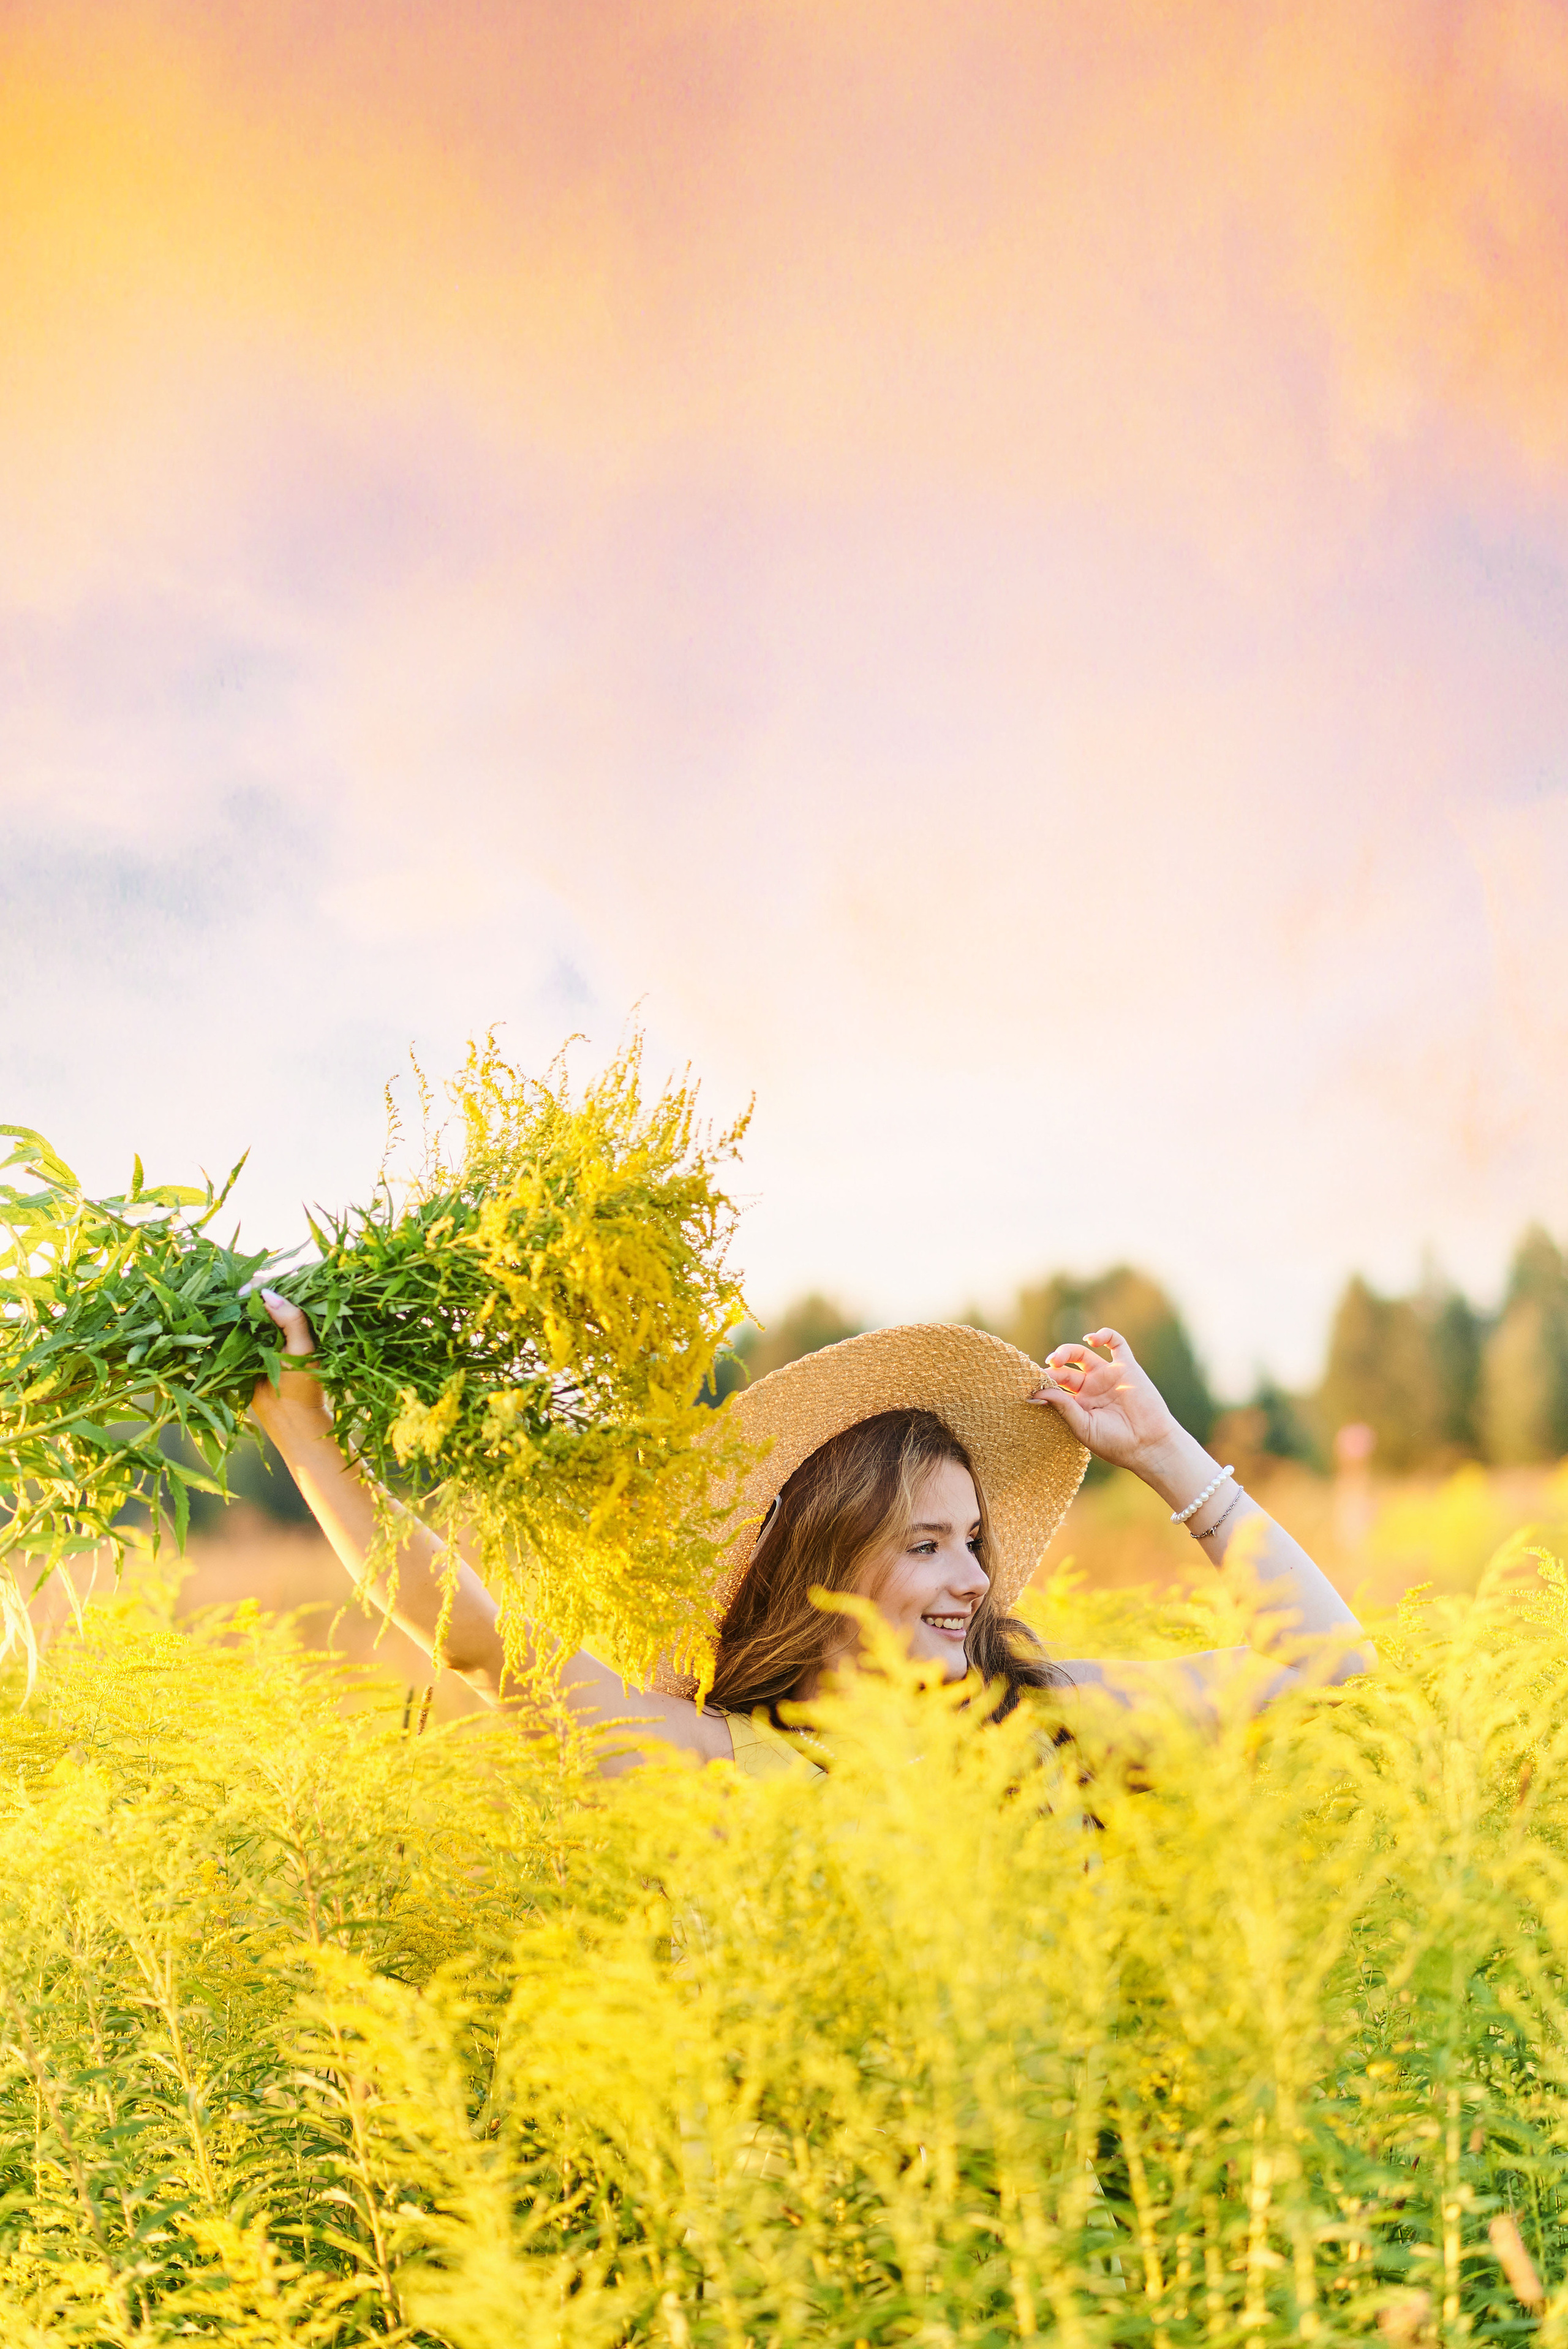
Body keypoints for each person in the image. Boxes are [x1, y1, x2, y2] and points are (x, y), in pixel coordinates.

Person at [251, 1298, 1372, 1777]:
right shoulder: (731, 1768)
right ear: (820, 1572)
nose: (977, 1579)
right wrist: (307, 1437)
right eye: (927, 1544)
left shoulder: (1048, 1717)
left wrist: (1170, 1455)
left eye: (974, 1540)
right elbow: (478, 1643)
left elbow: (1333, 1675)